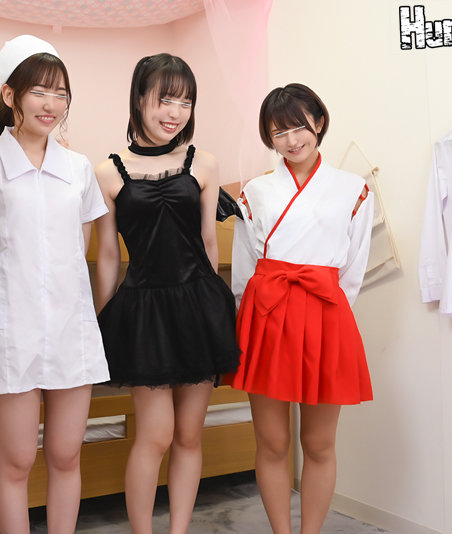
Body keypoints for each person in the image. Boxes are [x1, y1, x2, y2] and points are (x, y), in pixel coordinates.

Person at [0, 35, 110, 534]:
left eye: (60, 93)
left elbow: (80, 250)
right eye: (39, 91)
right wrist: (1, 313)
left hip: (71, 329)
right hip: (12, 330)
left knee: (66, 455)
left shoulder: (78, 168)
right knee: (18, 459)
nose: (51, 104)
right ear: (10, 95)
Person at [94, 53, 239, 534]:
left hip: (198, 304)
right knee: (155, 436)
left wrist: (216, 308)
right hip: (144, 311)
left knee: (189, 435)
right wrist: (102, 320)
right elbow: (108, 255)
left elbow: (209, 241)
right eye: (165, 100)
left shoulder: (204, 162)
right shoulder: (108, 171)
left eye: (185, 102)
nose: (175, 112)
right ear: (140, 99)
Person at [229, 83, 373, 534]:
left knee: (318, 442)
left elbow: (353, 268)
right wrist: (245, 319)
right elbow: (244, 268)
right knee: (272, 443)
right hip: (266, 314)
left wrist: (327, 315)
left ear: (319, 123)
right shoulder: (255, 190)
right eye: (278, 133)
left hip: (326, 313)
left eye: (299, 127)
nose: (291, 141)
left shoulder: (354, 189)